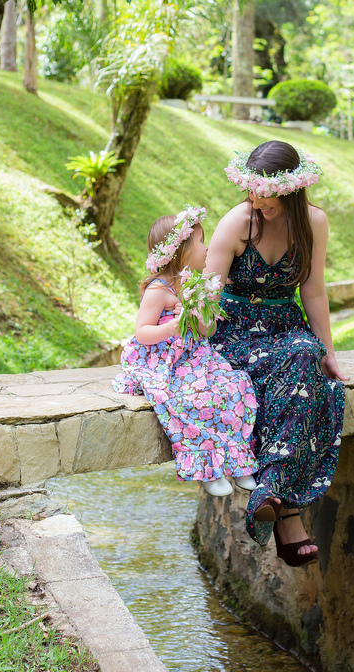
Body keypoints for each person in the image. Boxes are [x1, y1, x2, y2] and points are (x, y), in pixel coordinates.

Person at [205, 140, 348, 567]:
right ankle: (286, 511)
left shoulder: (313, 223)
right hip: (232, 331)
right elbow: (205, 300)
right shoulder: (238, 223)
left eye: (268, 196)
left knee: (306, 356)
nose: (258, 202)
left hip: (284, 325)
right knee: (292, 366)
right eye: (253, 192)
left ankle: (270, 491)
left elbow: (314, 291)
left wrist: (330, 351)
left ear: (291, 190)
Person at [113, 205, 260, 497]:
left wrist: (199, 318)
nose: (207, 248)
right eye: (201, 242)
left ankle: (238, 462)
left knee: (233, 386)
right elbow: (142, 332)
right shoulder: (160, 290)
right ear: (181, 251)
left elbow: (206, 332)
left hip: (196, 356)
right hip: (165, 360)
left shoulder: (195, 286)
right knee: (192, 398)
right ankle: (206, 469)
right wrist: (174, 327)